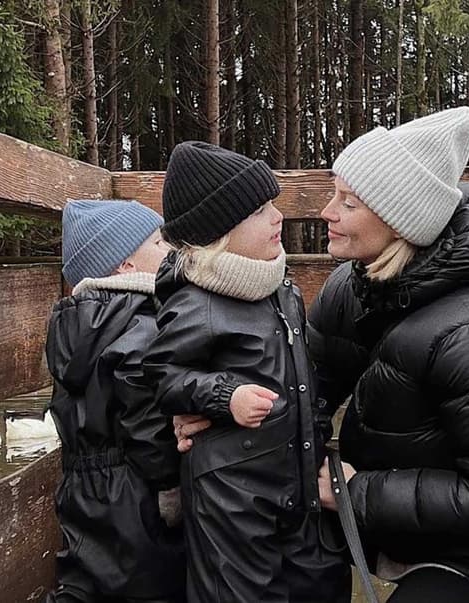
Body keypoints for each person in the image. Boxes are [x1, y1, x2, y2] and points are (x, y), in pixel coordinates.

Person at [307, 106, 469, 602]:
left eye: (349, 202)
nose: (327, 212)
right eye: (334, 194)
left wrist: (358, 491)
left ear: (398, 222)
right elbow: (306, 384)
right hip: (411, 533)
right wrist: (215, 406)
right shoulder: (354, 288)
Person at [142, 141, 350, 603]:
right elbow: (163, 373)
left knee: (320, 584)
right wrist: (224, 395)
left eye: (273, 204)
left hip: (296, 484)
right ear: (219, 232)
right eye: (259, 211)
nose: (278, 217)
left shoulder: (280, 288)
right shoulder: (196, 302)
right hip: (231, 501)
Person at [45, 199, 185, 603]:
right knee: (149, 585)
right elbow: (146, 417)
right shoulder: (140, 319)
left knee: (93, 579)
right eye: (159, 242)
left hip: (81, 484)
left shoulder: (70, 323)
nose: (170, 250)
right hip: (135, 491)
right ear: (125, 265)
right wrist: (169, 485)